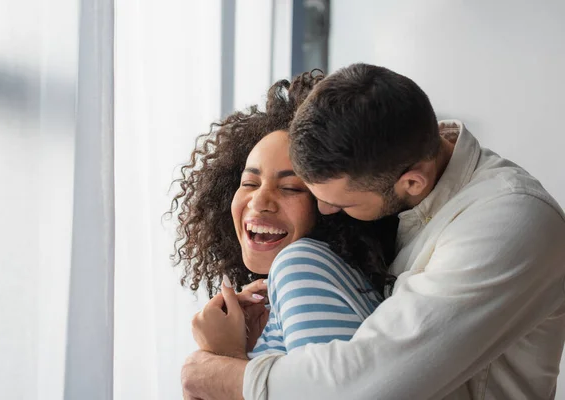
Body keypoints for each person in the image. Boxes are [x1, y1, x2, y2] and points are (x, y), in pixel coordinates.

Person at [180, 63, 565, 400]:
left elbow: (360, 386)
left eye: (341, 204)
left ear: (411, 182)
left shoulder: (509, 220)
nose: (326, 210)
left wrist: (216, 367)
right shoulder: (403, 189)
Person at [168, 72, 397, 364]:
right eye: (249, 183)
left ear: (332, 205)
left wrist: (225, 358)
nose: (259, 201)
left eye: (290, 188)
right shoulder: (310, 280)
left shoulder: (300, 266)